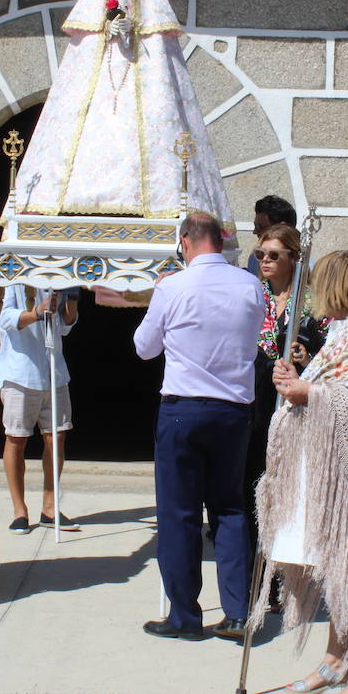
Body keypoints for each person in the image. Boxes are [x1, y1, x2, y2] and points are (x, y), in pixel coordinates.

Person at [251, 250, 348, 694]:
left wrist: (308, 391)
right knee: (336, 569)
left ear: (337, 285)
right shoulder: (344, 329)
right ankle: (336, 660)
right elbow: (335, 384)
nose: (314, 294)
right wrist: (298, 381)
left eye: (319, 284)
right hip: (330, 472)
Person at [7, 0, 232, 227]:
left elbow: (153, 30)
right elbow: (88, 31)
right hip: (104, 65)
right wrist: (107, 29)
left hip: (142, 67)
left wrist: (132, 28)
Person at [133, 211, 266, 641]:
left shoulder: (173, 286)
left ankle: (185, 616)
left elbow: (144, 348)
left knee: (179, 514)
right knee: (229, 509)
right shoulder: (249, 285)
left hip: (184, 408)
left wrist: (160, 296)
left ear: (186, 242)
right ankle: (237, 612)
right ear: (220, 242)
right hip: (233, 409)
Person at [246, 223, 328, 609]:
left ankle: (284, 580)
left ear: (294, 258)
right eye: (260, 254)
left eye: (273, 255)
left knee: (289, 493)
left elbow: (330, 358)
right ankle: (255, 576)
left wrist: (307, 358)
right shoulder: (252, 295)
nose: (264, 260)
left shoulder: (313, 303)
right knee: (255, 488)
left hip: (294, 406)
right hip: (254, 401)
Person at [0, 283, 80, 534]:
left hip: (54, 370)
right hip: (20, 373)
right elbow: (4, 317)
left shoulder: (56, 277)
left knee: (56, 437)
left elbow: (64, 326)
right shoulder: (9, 276)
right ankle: (19, 511)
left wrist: (72, 299)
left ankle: (49, 508)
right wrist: (36, 312)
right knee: (16, 439)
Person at [246, 195, 297, 274]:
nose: (255, 232)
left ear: (283, 229)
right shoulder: (255, 258)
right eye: (255, 226)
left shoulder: (304, 266)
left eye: (260, 227)